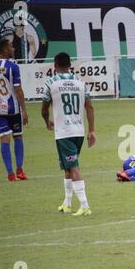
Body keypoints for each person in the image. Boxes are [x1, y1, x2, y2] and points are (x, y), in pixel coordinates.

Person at [41, 52, 96, 216]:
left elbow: (44, 108)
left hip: (64, 132)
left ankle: (85, 206)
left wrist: (47, 121)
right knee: (67, 167)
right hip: (79, 131)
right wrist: (91, 130)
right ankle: (67, 203)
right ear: (70, 65)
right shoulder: (80, 82)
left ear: (55, 65)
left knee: (73, 167)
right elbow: (89, 107)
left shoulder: (51, 82)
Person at [0, 38, 28, 182]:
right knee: (18, 136)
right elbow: (18, 91)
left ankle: (10, 174)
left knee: (4, 139)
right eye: (11, 47)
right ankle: (20, 170)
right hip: (13, 109)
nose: (13, 49)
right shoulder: (13, 67)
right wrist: (25, 110)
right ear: (4, 50)